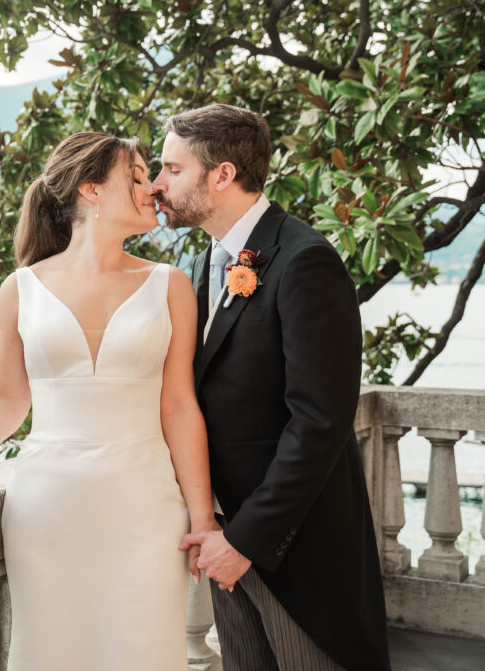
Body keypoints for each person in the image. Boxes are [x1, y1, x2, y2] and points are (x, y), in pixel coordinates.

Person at [0, 131, 216, 670]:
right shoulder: (20, 289)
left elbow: (180, 407)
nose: (152, 189)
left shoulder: (171, 285)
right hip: (48, 511)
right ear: (91, 191)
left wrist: (202, 518)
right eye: (136, 177)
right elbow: (4, 404)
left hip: (147, 508)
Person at [161, 104, 391, 671]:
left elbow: (319, 422)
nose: (157, 185)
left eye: (171, 168)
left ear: (221, 175)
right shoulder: (204, 262)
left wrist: (245, 541)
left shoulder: (305, 260)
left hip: (296, 552)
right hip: (222, 539)